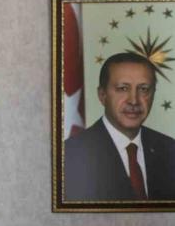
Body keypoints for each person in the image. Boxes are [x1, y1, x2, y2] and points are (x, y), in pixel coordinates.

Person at [64, 52, 175, 201]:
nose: (134, 101)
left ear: (153, 94)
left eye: (143, 89)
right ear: (102, 95)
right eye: (123, 88)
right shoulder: (71, 155)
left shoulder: (169, 150)